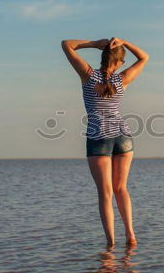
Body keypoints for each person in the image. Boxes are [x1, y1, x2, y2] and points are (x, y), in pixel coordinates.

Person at [61, 37, 149, 247]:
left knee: (106, 194)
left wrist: (94, 43)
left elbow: (66, 44)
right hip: (123, 137)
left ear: (103, 57)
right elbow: (145, 57)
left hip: (99, 137)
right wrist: (125, 42)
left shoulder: (88, 75)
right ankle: (131, 236)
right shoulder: (122, 79)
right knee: (121, 189)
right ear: (119, 62)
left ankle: (110, 245)